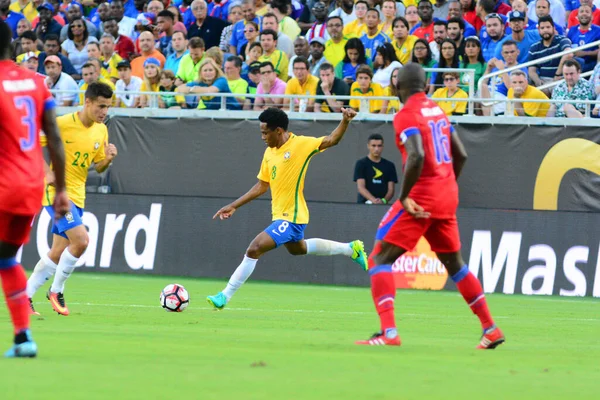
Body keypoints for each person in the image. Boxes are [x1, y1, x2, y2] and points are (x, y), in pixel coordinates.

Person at [356, 63, 504, 349]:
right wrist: (446, 182)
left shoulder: (405, 115)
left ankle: (389, 334)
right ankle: (491, 328)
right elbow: (460, 154)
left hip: (421, 195)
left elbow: (416, 155)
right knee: (455, 265)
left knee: (379, 258)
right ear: (425, 86)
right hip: (446, 195)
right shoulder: (437, 110)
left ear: (398, 87)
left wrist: (404, 195)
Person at [206, 107, 368, 310]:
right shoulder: (269, 153)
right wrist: (234, 205)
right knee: (298, 249)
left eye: (265, 132)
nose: (263, 137)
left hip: (292, 216)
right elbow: (262, 185)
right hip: (281, 215)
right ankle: (350, 249)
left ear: (279, 131)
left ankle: (224, 295)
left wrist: (345, 121)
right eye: (261, 132)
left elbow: (331, 140)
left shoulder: (300, 144)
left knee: (254, 249)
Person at [0, 19, 68, 358]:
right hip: (30, 186)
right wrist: (62, 189)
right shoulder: (35, 83)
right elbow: (54, 138)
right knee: (6, 258)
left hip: (2, 184)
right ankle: (23, 337)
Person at [26, 82, 118, 317]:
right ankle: (56, 290)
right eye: (101, 106)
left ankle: (23, 297)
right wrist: (47, 173)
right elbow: (31, 146)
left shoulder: (101, 130)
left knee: (58, 251)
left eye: (107, 107)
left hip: (77, 194)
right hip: (55, 192)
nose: (104, 112)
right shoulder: (63, 124)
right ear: (87, 102)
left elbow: (97, 167)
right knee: (81, 241)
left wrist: (107, 160)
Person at [528, 16, 572, 89]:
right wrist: (538, 81)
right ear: (538, 30)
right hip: (543, 80)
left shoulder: (562, 40)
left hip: (561, 80)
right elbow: (531, 70)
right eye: (542, 28)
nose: (545, 30)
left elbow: (569, 54)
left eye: (548, 27)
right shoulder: (534, 47)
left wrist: (557, 74)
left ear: (553, 28)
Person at [353, 134, 398, 204]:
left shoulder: (390, 165)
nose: (376, 149)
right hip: (363, 206)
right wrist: (373, 200)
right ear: (368, 146)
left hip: (383, 207)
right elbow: (361, 187)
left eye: (379, 146)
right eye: (373, 146)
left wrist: (383, 201)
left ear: (383, 147)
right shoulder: (361, 164)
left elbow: (391, 190)